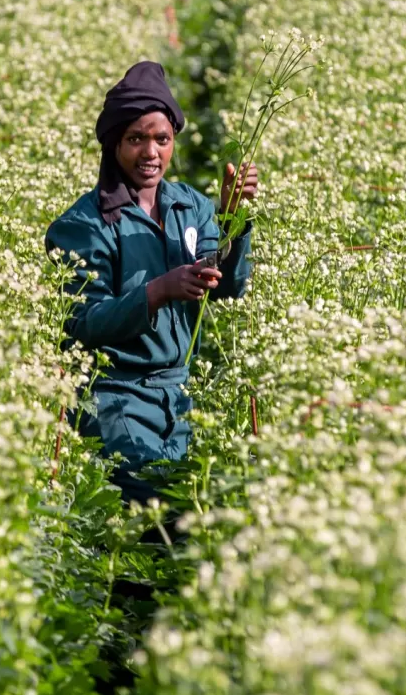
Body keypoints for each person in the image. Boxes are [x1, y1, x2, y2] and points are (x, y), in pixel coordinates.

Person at [45, 61, 259, 504]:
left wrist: (234, 218)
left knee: (187, 510)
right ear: (113, 144)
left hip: (180, 397)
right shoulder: (82, 225)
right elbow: (81, 324)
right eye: (136, 139)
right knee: (148, 509)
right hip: (114, 398)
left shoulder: (192, 207)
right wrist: (159, 290)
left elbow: (225, 285)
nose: (150, 153)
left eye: (162, 139)